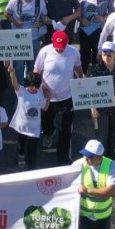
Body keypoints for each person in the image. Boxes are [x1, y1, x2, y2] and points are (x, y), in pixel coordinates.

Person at [36, 29, 84, 163]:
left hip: (67, 97)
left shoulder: (74, 52)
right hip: (48, 98)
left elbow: (78, 68)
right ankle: (48, 133)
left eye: (62, 48)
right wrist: (40, 87)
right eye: (57, 48)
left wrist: (82, 82)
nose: (59, 50)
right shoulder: (44, 51)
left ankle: (62, 158)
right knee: (47, 122)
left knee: (65, 129)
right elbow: (36, 71)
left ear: (67, 42)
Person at [9, 68, 49, 168]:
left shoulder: (40, 93)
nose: (34, 88)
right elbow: (15, 83)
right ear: (27, 84)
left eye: (36, 86)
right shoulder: (22, 92)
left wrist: (48, 98)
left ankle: (32, 167)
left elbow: (44, 108)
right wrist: (12, 73)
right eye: (31, 86)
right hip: (22, 127)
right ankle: (21, 156)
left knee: (32, 150)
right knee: (21, 144)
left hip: (34, 129)